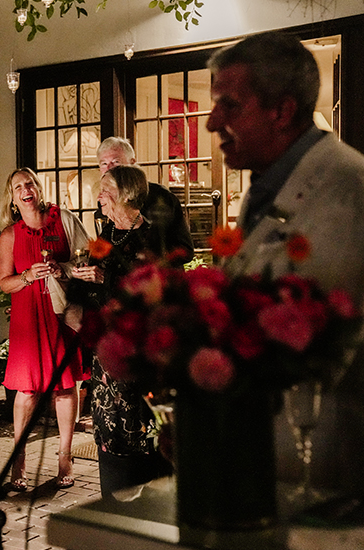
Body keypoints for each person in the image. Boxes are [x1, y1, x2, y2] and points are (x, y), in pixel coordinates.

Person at [206, 31, 364, 492]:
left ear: (282, 111)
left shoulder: (349, 190)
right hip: (263, 465)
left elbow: (325, 344)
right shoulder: (261, 188)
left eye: (230, 105)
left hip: (329, 474)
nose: (213, 122)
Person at [68, 165, 188, 499]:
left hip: (144, 363)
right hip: (108, 366)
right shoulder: (106, 236)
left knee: (148, 449)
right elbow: (83, 293)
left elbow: (155, 291)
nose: (99, 197)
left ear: (127, 195)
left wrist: (102, 279)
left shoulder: (155, 239)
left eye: (105, 189)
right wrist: (76, 304)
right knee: (111, 447)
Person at [0, 168, 89, 491]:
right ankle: (18, 458)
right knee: (27, 390)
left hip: (60, 313)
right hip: (27, 319)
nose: (26, 189)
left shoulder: (62, 220)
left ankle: (65, 456)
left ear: (39, 187)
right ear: (13, 197)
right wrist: (26, 277)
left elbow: (86, 260)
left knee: (65, 386)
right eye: (18, 186)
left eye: (30, 183)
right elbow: (4, 282)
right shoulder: (9, 235)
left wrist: (61, 269)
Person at [96, 137, 193, 261]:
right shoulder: (105, 200)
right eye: (104, 163)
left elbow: (185, 250)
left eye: (116, 162)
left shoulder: (160, 196)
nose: (110, 168)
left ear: (132, 163)